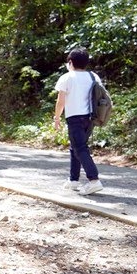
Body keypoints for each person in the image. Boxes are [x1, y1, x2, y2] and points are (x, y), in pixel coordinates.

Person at [53, 47, 104, 195]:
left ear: (70, 62)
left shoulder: (67, 77)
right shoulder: (93, 76)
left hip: (74, 118)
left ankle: (94, 180)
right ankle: (73, 180)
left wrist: (57, 118)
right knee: (76, 147)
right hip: (90, 118)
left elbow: (60, 102)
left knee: (80, 148)